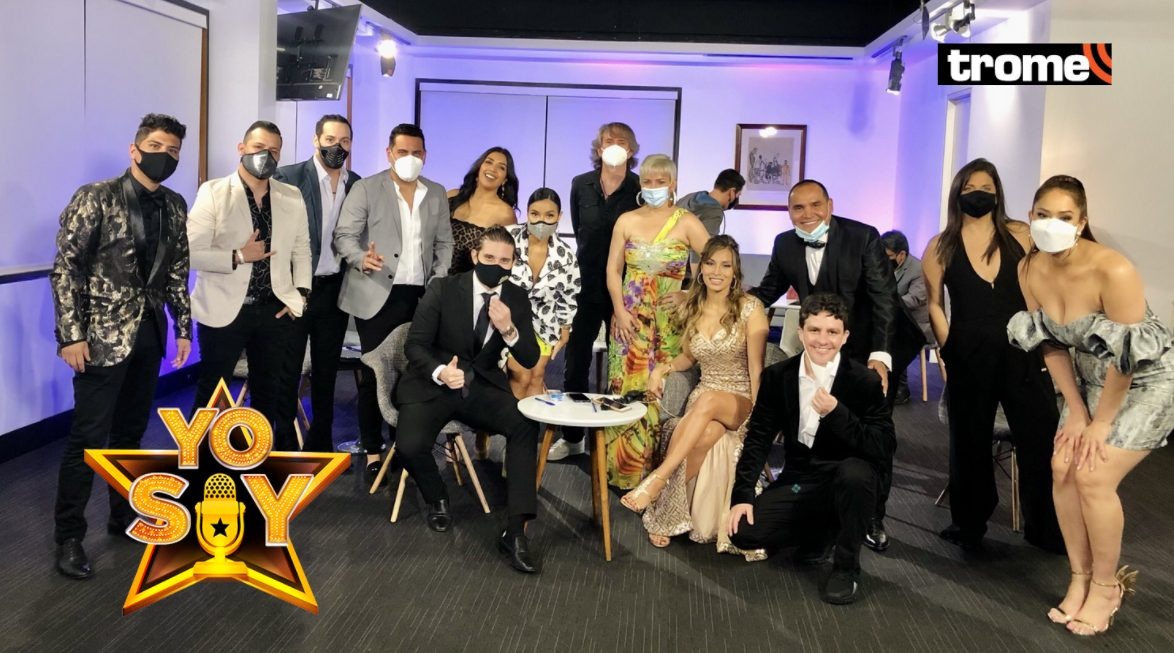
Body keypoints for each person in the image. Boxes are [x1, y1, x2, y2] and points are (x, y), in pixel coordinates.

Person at [1009, 175, 1172, 636]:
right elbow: (1049, 342)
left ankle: (1106, 586)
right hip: (1086, 385)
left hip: (1144, 380)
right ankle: (1079, 577)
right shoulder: (1029, 269)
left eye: (1065, 217)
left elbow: (1126, 357)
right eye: (1043, 215)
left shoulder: (1113, 269)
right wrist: (1077, 410)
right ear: (1031, 216)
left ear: (1082, 222)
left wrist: (1100, 423)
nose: (1052, 224)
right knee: (1062, 467)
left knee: (1092, 475)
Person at [50, 113, 193, 579]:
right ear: (135, 150)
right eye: (156, 147)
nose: (164, 156)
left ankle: (123, 514)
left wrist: (184, 328)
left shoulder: (175, 204)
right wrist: (71, 334)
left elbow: (177, 272)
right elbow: (66, 269)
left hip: (150, 334)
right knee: (87, 439)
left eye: (173, 151)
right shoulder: (96, 196)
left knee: (130, 435)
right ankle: (69, 536)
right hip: (99, 339)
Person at [750, 179, 918, 552]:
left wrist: (880, 356)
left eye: (815, 205)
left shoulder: (863, 237)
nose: (807, 214)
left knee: (872, 436)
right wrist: (717, 299)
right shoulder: (784, 243)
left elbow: (884, 300)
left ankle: (873, 517)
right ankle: (822, 506)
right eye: (798, 208)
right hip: (824, 348)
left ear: (830, 205)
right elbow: (767, 291)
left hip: (871, 345)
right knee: (824, 424)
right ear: (789, 212)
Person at [922, 158, 1063, 553]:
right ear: (957, 194)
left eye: (985, 188)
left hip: (1023, 353)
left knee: (1040, 438)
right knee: (968, 443)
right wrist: (948, 348)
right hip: (968, 355)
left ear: (998, 193)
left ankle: (1046, 527)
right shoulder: (940, 245)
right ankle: (969, 524)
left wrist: (1045, 334)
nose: (977, 195)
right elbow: (935, 304)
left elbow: (1044, 284)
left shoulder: (1021, 234)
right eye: (969, 189)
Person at [727, 293, 895, 605]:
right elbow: (758, 438)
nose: (822, 340)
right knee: (744, 532)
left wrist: (837, 413)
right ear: (800, 332)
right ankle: (824, 530)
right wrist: (743, 493)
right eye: (814, 330)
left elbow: (882, 446)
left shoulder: (865, 381)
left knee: (855, 475)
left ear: (845, 336)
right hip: (801, 477)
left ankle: (846, 567)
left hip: (848, 475)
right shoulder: (778, 377)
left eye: (832, 332)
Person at [394, 226, 542, 573]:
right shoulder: (444, 288)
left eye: (504, 261)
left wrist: (508, 329)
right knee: (410, 446)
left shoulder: (516, 298)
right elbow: (415, 345)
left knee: (524, 424)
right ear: (475, 256)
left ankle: (516, 531)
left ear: (512, 264)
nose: (495, 265)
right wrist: (440, 371)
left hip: (481, 386)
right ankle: (437, 497)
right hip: (435, 383)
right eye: (489, 257)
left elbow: (531, 357)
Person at [623, 236, 768, 557]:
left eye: (726, 265)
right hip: (704, 397)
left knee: (709, 401)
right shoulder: (693, 306)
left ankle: (657, 480)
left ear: (735, 271)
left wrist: (759, 420)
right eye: (711, 263)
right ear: (700, 268)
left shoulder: (751, 308)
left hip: (740, 397)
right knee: (706, 431)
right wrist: (661, 369)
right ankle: (666, 512)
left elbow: (757, 369)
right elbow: (688, 358)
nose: (717, 271)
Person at [333, 123, 453, 483]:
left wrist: (439, 280)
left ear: (425, 155)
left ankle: (404, 448)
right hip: (376, 293)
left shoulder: (435, 192)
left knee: (413, 374)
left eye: (416, 153)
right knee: (375, 374)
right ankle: (372, 451)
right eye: (402, 152)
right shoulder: (366, 188)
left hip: (420, 296)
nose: (410, 158)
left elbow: (444, 243)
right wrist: (360, 258)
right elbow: (344, 235)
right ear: (389, 153)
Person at [188, 120, 311, 452]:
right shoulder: (213, 192)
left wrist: (301, 294)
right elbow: (191, 252)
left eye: (273, 151)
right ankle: (195, 462)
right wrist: (238, 255)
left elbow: (302, 250)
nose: (266, 156)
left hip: (274, 310)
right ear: (241, 149)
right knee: (212, 392)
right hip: (223, 310)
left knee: (268, 394)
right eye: (259, 148)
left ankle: (256, 461)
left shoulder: (291, 195)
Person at [604, 154, 710, 489]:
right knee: (625, 387)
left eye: (660, 182)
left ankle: (657, 475)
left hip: (669, 322)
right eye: (647, 181)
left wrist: (688, 293)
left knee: (661, 389)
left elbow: (717, 263)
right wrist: (619, 309)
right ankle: (622, 472)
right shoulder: (626, 220)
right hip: (630, 318)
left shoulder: (687, 221)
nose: (653, 187)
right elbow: (613, 270)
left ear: (672, 184)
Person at [548, 122, 642, 461]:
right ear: (599, 147)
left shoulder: (639, 188)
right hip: (585, 284)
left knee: (622, 365)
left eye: (621, 141)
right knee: (576, 363)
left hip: (625, 290)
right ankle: (573, 437)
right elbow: (580, 230)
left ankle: (616, 444)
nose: (614, 146)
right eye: (608, 140)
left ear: (631, 150)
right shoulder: (580, 184)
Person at [273, 114, 362, 452]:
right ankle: (283, 443)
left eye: (344, 141)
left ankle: (321, 442)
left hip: (335, 289)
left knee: (327, 371)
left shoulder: (357, 184)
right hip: (297, 288)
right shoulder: (289, 178)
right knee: (289, 368)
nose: (337, 147)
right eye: (330, 140)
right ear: (316, 140)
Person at [505, 188, 580, 398]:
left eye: (549, 215)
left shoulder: (566, 255)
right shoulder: (507, 238)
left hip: (545, 323)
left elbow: (568, 294)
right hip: (507, 320)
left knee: (536, 376)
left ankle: (528, 421)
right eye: (535, 214)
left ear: (559, 217)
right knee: (520, 375)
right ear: (527, 212)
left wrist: (565, 328)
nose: (541, 221)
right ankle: (508, 419)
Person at [880, 229, 934, 404]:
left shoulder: (919, 270)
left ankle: (901, 388)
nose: (884, 260)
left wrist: (887, 302)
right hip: (895, 319)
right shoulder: (883, 267)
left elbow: (915, 299)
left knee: (894, 336)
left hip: (917, 325)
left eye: (888, 256)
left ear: (901, 254)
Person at [446, 147, 519, 275]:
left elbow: (503, 260)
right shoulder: (451, 196)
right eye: (488, 162)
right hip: (431, 278)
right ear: (479, 167)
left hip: (467, 284)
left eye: (501, 167)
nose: (493, 169)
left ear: (505, 179)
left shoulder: (506, 214)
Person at [676, 168, 745, 237]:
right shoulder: (715, 212)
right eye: (738, 195)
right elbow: (707, 243)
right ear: (732, 192)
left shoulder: (691, 196)